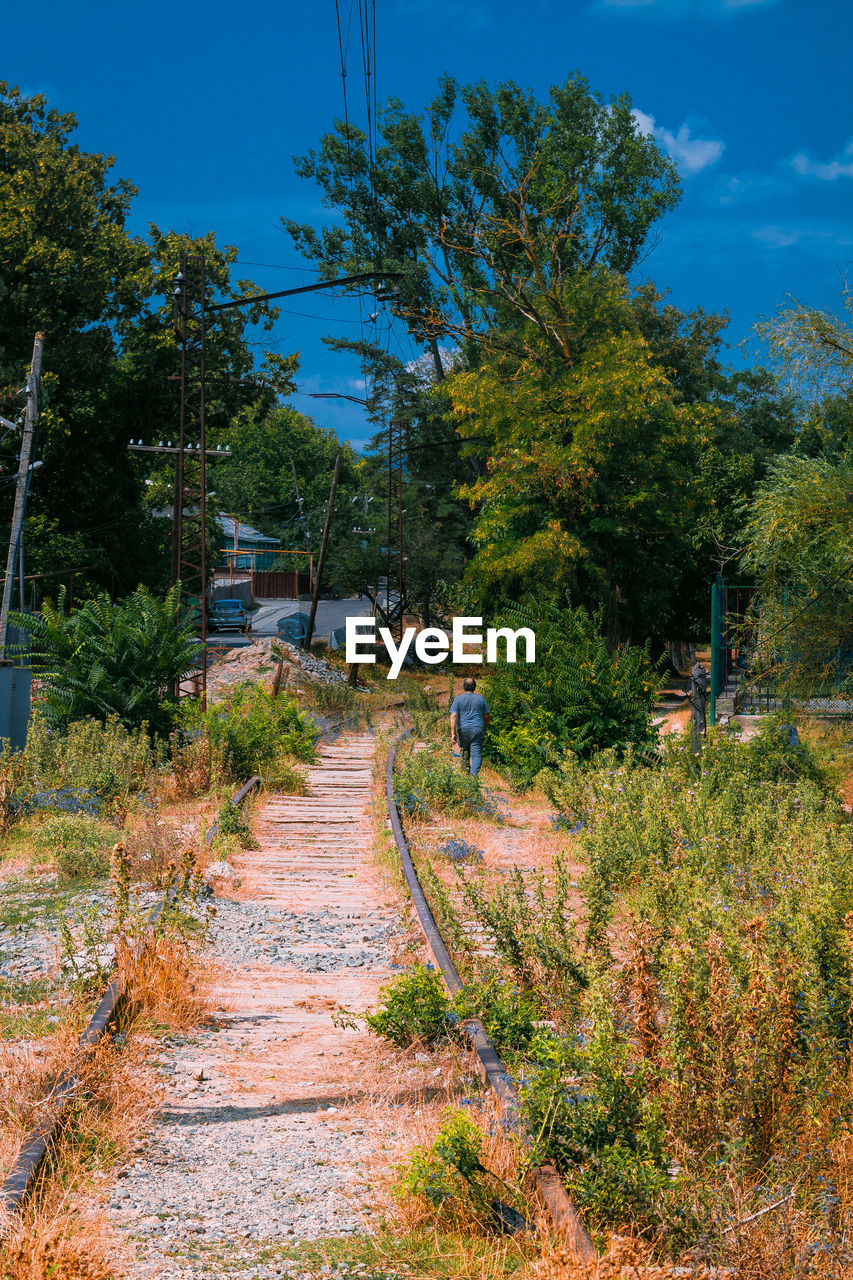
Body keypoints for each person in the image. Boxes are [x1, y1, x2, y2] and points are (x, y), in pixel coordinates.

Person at [449, 677, 490, 776]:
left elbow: (453, 716)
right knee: (476, 755)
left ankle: (466, 777)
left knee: (464, 754)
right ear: (474, 687)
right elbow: (486, 716)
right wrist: (484, 729)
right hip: (477, 729)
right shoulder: (481, 699)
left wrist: (453, 733)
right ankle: (473, 777)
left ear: (463, 687)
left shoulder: (458, 699)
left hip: (463, 730)